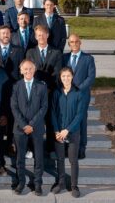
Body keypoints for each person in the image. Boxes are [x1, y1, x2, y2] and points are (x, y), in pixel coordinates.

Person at [11, 59, 48, 196]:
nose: (28, 71)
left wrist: (31, 124)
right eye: (25, 69)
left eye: (30, 69)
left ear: (34, 70)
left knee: (38, 157)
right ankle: (21, 182)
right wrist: (24, 124)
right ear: (21, 71)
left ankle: (37, 183)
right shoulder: (16, 86)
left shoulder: (41, 86)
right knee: (20, 158)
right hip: (20, 128)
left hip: (36, 128)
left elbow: (44, 107)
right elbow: (14, 107)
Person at [26, 24, 62, 155]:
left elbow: (57, 73)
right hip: (34, 93)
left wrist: (47, 88)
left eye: (43, 34)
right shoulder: (30, 52)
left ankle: (51, 148)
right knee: (33, 120)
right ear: (35, 37)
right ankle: (31, 148)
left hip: (50, 92)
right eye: (38, 35)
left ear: (47, 35)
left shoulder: (56, 52)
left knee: (50, 121)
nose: (40, 37)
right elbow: (29, 71)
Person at [50, 67, 86, 198]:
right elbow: (53, 112)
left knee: (73, 160)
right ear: (60, 78)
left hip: (73, 132)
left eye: (68, 76)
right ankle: (60, 183)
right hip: (58, 132)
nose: (66, 78)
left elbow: (79, 115)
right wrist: (56, 130)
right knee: (60, 159)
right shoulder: (56, 93)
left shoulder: (78, 93)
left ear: (72, 76)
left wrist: (67, 130)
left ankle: (74, 185)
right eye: (63, 76)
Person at [0, 25, 24, 156]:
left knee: (11, 118)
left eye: (8, 33)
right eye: (2, 33)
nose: (5, 35)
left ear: (11, 35)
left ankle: (10, 143)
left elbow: (21, 72)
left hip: (13, 90)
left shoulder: (19, 51)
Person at [62, 34, 96, 159]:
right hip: (66, 95)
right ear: (69, 44)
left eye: (76, 41)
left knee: (81, 121)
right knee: (67, 120)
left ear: (80, 42)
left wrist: (77, 89)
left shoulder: (88, 59)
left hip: (82, 95)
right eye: (71, 42)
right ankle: (67, 146)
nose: (74, 43)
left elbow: (91, 77)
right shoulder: (64, 58)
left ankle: (82, 148)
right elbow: (61, 75)